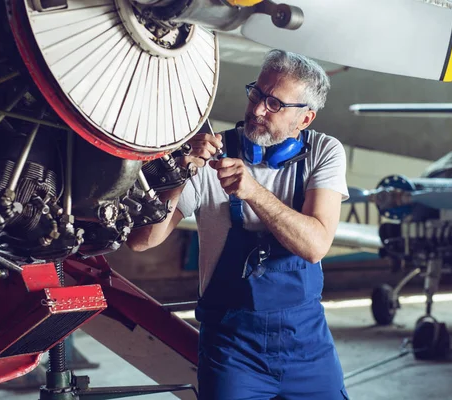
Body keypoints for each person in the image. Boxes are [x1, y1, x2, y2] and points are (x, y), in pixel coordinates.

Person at [127, 49, 350, 400]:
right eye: (257, 94)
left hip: (307, 346)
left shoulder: (324, 152)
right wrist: (181, 174)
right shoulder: (209, 157)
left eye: (275, 104)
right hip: (232, 350)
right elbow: (142, 241)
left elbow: (315, 245)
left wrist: (253, 192)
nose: (258, 109)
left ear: (305, 119)